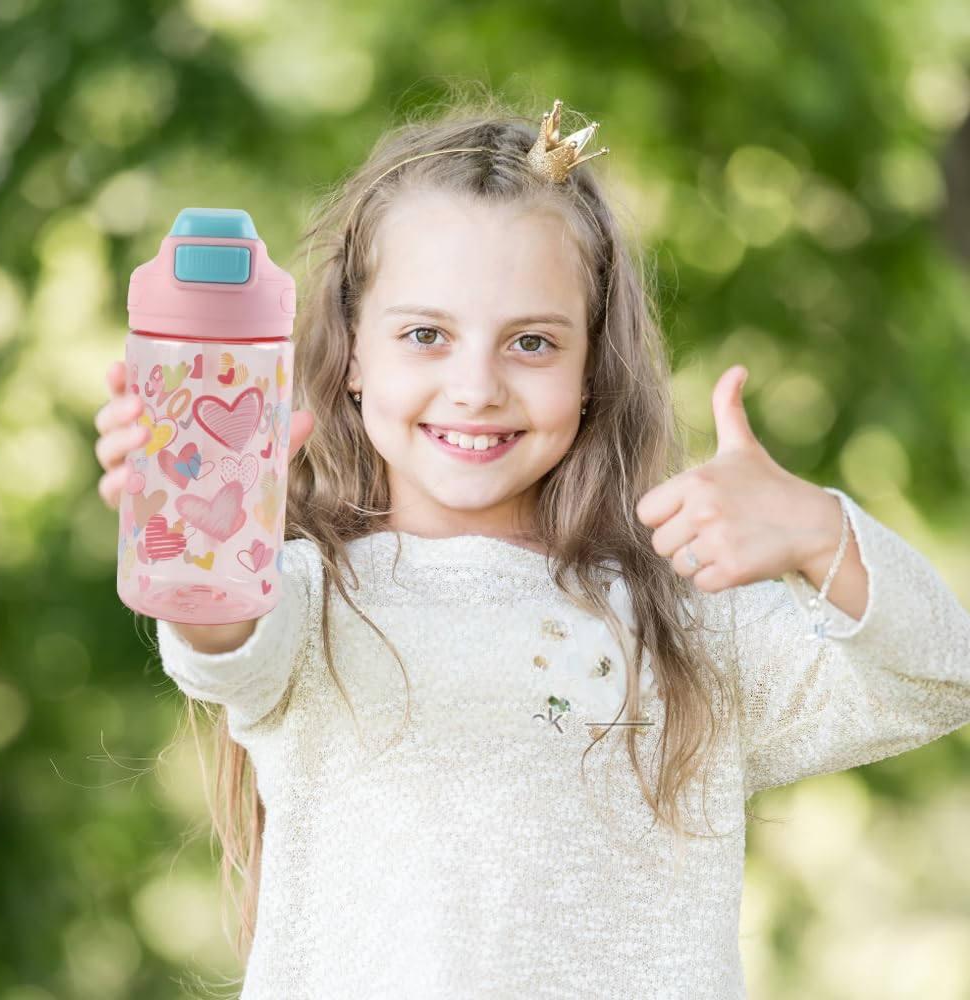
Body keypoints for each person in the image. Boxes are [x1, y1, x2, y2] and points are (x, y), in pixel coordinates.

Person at [93, 93, 970, 999]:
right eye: (426, 335)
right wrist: (203, 516)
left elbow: (939, 678)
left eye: (532, 342)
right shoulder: (305, 601)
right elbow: (221, 633)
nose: (476, 386)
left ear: (592, 367)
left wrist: (821, 531)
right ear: (353, 353)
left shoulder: (686, 626)